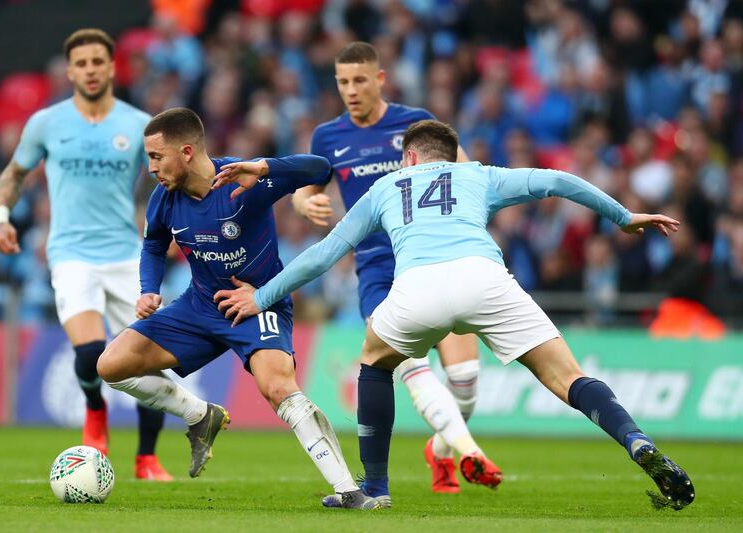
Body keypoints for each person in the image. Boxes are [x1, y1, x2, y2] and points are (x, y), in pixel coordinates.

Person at [214, 120, 695, 511]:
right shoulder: (478, 175)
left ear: (410, 157)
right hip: (484, 279)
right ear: (451, 154)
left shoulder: (386, 186)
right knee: (566, 376)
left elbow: (325, 254)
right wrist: (622, 216)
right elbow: (556, 181)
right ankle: (634, 439)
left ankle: (376, 488)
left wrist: (261, 298)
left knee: (374, 362)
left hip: (417, 288)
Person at [95, 107, 381, 510]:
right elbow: (155, 244)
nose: (151, 166)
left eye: (157, 157)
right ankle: (198, 415)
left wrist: (265, 167)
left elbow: (319, 170)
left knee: (279, 387)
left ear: (188, 151)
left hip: (256, 301)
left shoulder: (243, 180)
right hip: (199, 305)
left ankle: (349, 491)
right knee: (110, 365)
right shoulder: (164, 197)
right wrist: (148, 290)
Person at [293, 41, 490, 502]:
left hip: (436, 257)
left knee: (465, 385)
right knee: (410, 365)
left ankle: (441, 447)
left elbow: (465, 174)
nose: (351, 90)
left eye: (360, 80)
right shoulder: (327, 137)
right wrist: (306, 202)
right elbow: (306, 189)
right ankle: (447, 458)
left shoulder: (415, 123)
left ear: (380, 79)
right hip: (379, 266)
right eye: (342, 82)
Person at [0, 28, 171, 481]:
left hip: (126, 254)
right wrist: (0, 217)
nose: (91, 70)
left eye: (98, 61)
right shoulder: (47, 123)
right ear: (70, 71)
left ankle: (146, 458)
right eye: (82, 63)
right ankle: (95, 411)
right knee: (91, 349)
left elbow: (166, 181)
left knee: (148, 357)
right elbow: (15, 173)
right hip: (70, 253)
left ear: (112, 67)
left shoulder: (138, 125)